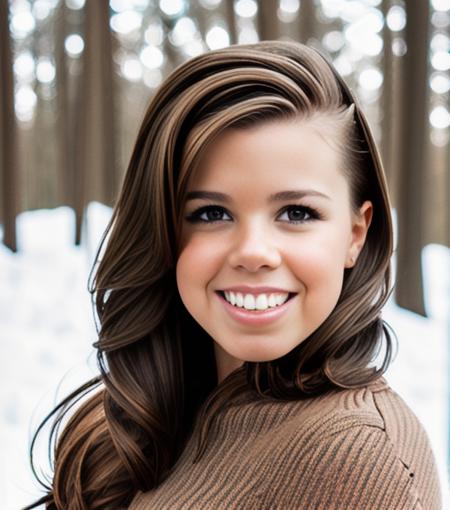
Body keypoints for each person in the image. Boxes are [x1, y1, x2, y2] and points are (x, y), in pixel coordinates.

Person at [26, 40, 442, 509]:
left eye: (297, 213)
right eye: (209, 214)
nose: (253, 252)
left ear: (355, 233)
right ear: (164, 231)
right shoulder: (140, 420)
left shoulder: (360, 461)